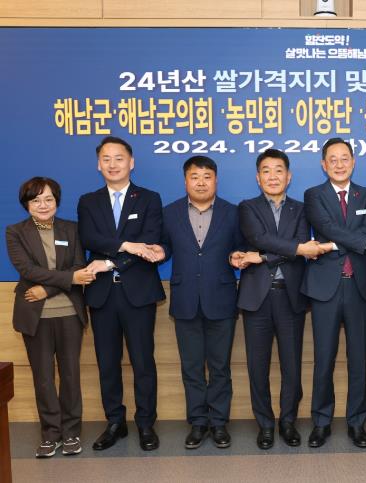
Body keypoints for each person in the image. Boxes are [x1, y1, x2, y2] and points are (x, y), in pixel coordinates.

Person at [147, 155, 244, 450]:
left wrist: (237, 255)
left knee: (220, 367)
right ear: (185, 180)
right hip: (186, 298)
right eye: (194, 176)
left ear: (216, 180)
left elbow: (241, 246)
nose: (201, 182)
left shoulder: (233, 212)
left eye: (207, 176)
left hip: (221, 298)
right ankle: (198, 422)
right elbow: (165, 245)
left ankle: (219, 423)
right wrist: (161, 252)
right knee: (191, 368)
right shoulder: (170, 212)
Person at [77, 136, 165, 451]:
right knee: (107, 362)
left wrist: (110, 261)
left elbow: (150, 242)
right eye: (106, 159)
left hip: (138, 293)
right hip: (102, 295)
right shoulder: (88, 201)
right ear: (98, 164)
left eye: (119, 158)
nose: (113, 164)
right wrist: (127, 245)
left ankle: (146, 424)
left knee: (143, 361)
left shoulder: (149, 198)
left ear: (131, 162)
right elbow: (89, 237)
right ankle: (115, 421)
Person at [301, 137, 366, 449]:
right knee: (324, 358)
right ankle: (321, 422)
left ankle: (357, 422)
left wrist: (337, 243)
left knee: (358, 358)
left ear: (353, 161)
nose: (339, 164)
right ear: (324, 165)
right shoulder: (314, 195)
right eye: (332, 159)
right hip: (326, 287)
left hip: (359, 286)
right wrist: (361, 242)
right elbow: (328, 227)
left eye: (344, 158)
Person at [236, 149, 320, 449]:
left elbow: (295, 245)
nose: (273, 176)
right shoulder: (247, 207)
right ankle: (265, 424)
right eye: (266, 171)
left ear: (289, 176)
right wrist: (294, 249)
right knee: (257, 366)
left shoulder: (301, 209)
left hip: (290, 296)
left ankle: (288, 421)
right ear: (258, 178)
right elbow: (260, 239)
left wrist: (261, 257)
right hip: (256, 298)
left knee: (291, 365)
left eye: (279, 170)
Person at [6, 177, 93, 458]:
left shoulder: (72, 229)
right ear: (27, 204)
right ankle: (50, 434)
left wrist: (48, 289)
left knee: (70, 375)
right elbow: (27, 269)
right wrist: (66, 280)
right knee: (42, 377)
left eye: (48, 199)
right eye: (36, 200)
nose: (43, 205)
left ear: (57, 201)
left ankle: (71, 433)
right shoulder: (15, 232)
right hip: (35, 315)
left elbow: (79, 267)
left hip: (69, 312)